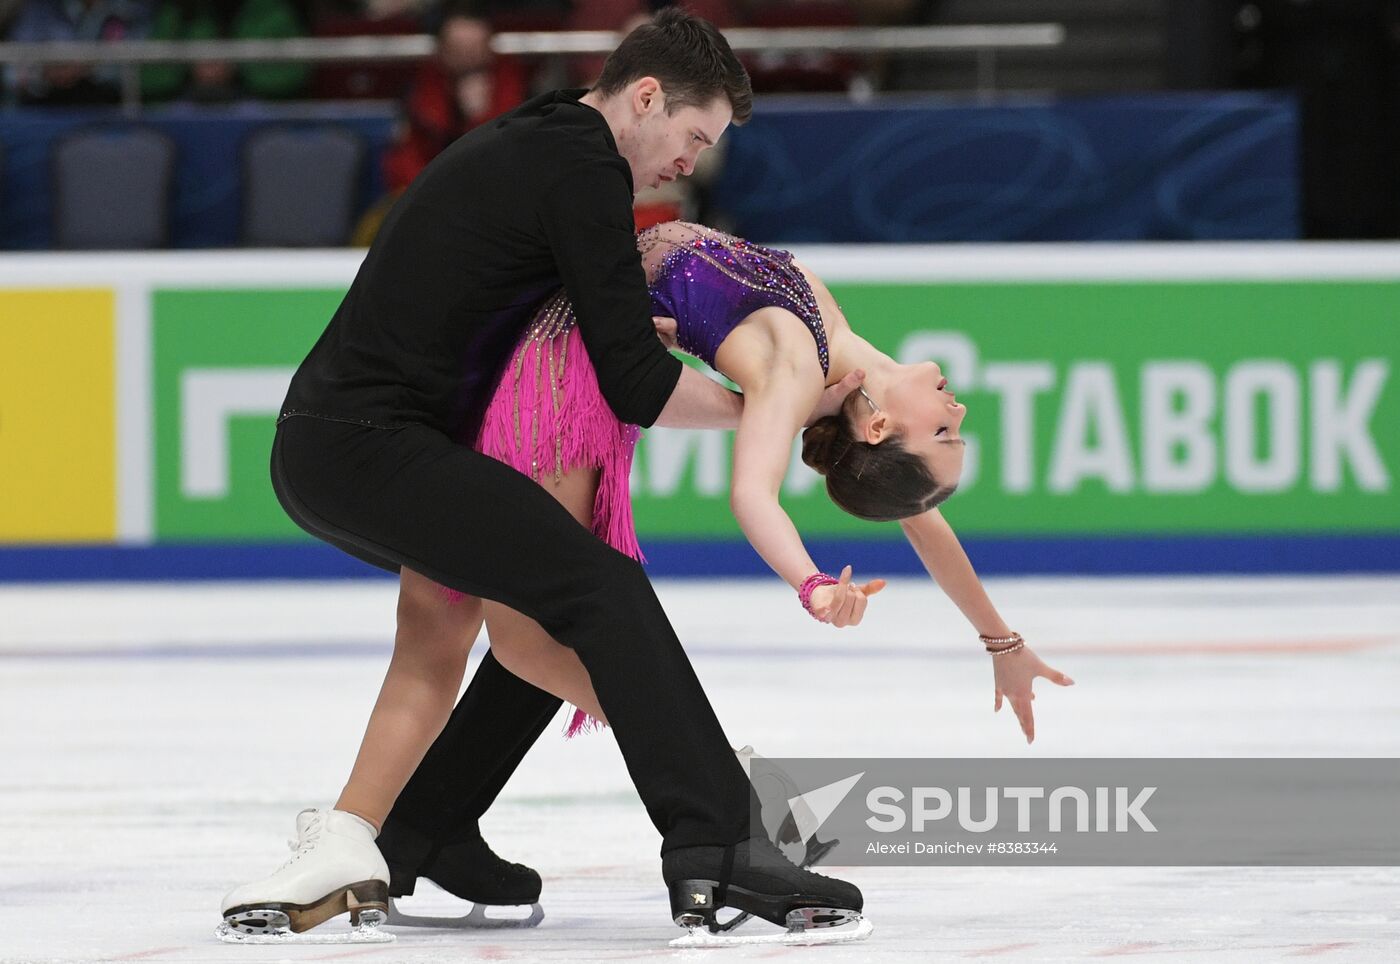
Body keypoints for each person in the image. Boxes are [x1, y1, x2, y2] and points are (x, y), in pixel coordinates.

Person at [218, 8, 867, 945]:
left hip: (332, 449)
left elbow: (555, 307)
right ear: (647, 96)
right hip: (372, 447)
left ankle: (374, 837)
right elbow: (635, 383)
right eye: (693, 136)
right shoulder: (583, 164)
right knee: (596, 586)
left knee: (446, 634)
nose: (692, 162)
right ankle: (717, 837)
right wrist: (768, 408)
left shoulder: (548, 137)